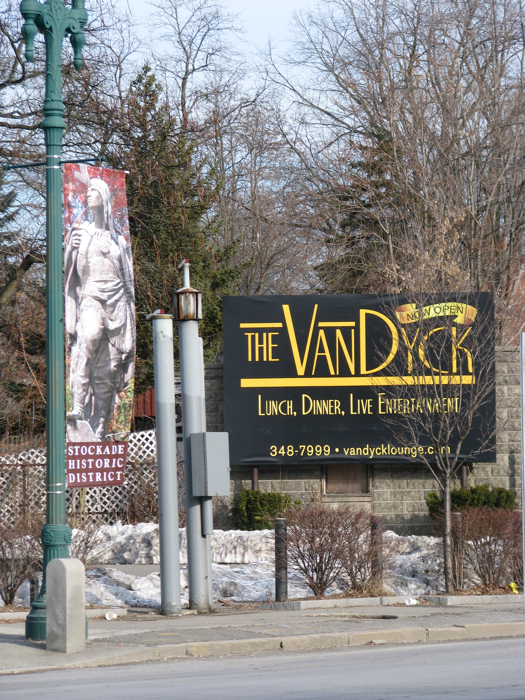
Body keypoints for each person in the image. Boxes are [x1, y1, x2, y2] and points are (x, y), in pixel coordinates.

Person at [64, 175, 135, 441]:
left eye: (94, 190)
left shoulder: (119, 242)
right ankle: (78, 405)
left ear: (104, 197)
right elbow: (73, 274)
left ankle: (102, 424)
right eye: (88, 190)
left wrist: (131, 319)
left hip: (117, 301)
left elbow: (128, 281)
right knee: (89, 337)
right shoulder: (81, 233)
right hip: (91, 294)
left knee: (110, 365)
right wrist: (71, 250)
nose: (88, 193)